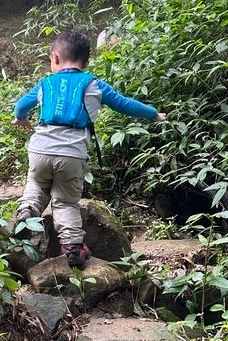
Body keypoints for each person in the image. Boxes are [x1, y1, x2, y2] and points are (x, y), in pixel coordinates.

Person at [12, 29, 166, 268]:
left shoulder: (45, 84)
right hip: (71, 155)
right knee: (64, 202)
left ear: (54, 58)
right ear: (87, 62)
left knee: (36, 183)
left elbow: (21, 106)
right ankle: (73, 247)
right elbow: (125, 104)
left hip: (40, 150)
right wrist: (154, 113)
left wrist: (21, 118)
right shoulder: (94, 84)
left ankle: (27, 210)